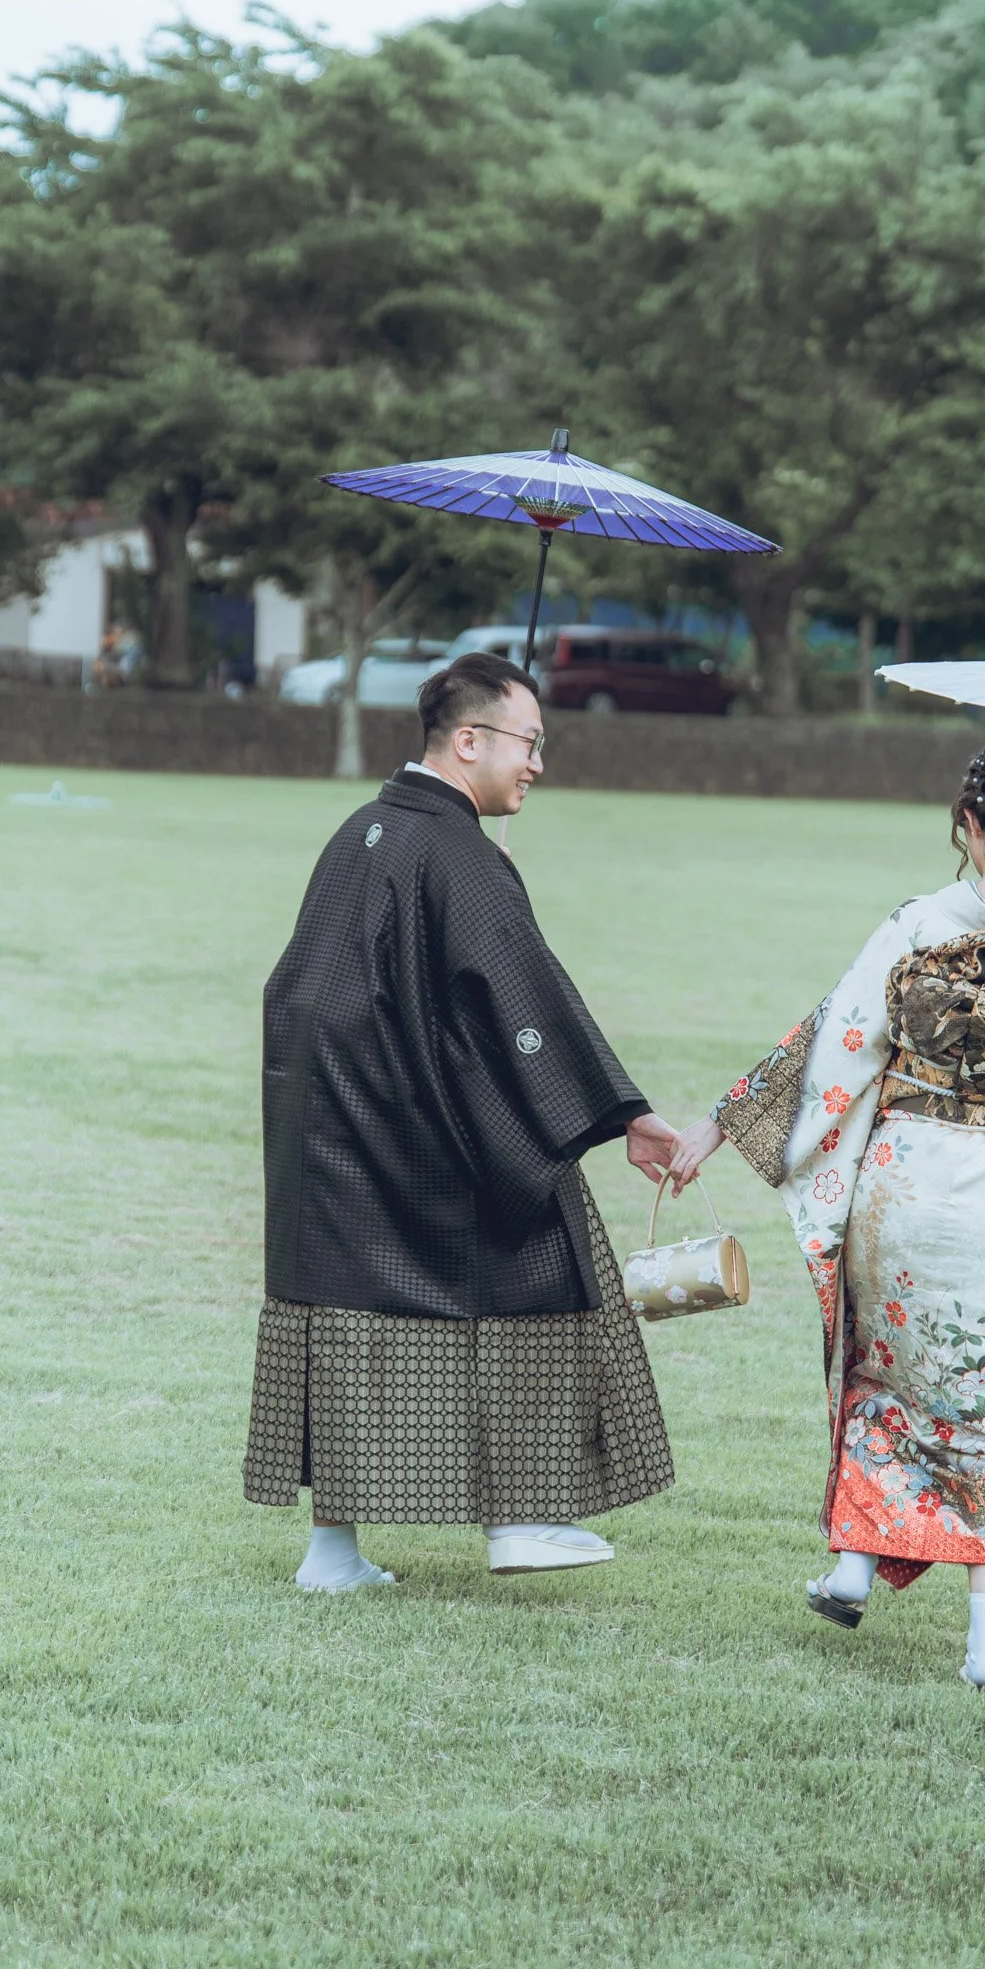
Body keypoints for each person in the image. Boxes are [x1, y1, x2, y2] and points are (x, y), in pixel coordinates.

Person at [669, 735, 985, 1691]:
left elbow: (831, 1042)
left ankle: (851, 1569)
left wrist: (717, 1124)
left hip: (900, 1185)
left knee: (883, 1376)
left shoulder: (916, 923)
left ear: (971, 823)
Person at [243, 650, 677, 1589]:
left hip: (332, 1130)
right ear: (469, 741)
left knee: (344, 1313)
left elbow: (303, 989)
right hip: (411, 1127)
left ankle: (332, 1552)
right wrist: (624, 1115)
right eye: (528, 742)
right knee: (542, 1250)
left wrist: (483, 869)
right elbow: (519, 998)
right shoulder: (456, 853)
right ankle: (521, 1517)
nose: (538, 764)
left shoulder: (365, 828)